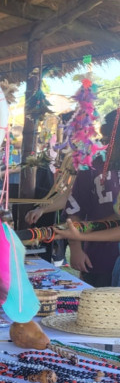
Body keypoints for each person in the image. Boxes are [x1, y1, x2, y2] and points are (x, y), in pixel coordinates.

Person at [54, 109, 120, 287]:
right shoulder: (91, 166)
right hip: (99, 259)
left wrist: (80, 236)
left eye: (111, 140)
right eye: (105, 140)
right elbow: (75, 207)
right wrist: (75, 245)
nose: (107, 146)